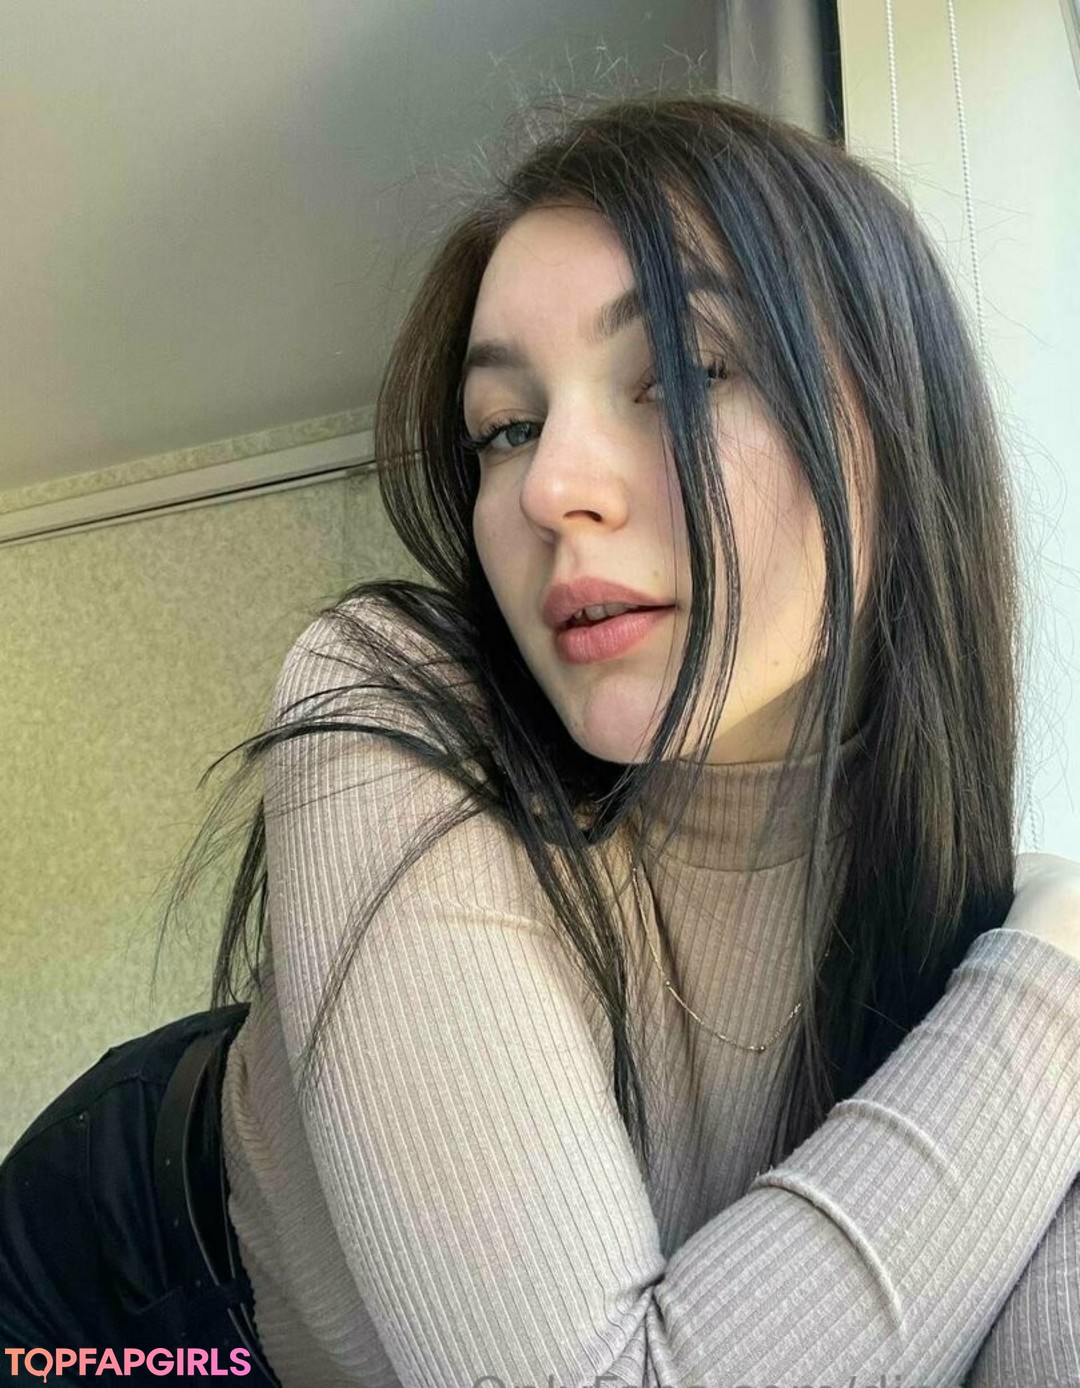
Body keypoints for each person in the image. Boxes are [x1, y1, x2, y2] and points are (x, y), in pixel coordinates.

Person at [4, 90, 1079, 1386]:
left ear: (902, 436)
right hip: (134, 1290)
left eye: (684, 373)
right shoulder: (393, 695)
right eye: (507, 428)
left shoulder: (982, 954)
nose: (552, 486)